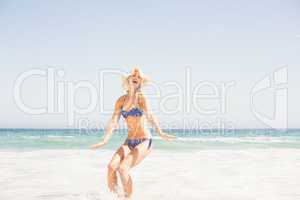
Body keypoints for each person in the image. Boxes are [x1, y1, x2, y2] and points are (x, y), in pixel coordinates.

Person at [90, 68, 176, 199]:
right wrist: (105, 140)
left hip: (144, 141)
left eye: (139, 76)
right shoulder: (121, 101)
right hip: (129, 142)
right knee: (111, 167)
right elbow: (114, 121)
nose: (136, 77)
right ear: (128, 80)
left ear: (140, 82)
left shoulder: (141, 99)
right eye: (133, 75)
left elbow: (150, 116)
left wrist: (160, 132)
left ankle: (128, 198)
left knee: (123, 169)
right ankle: (116, 196)